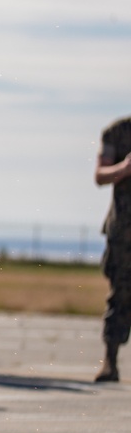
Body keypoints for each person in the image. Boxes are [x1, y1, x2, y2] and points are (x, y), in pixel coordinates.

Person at [93, 115, 131, 382]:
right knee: (120, 294)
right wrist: (125, 167)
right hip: (124, 232)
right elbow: (100, 175)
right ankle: (110, 362)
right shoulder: (116, 132)